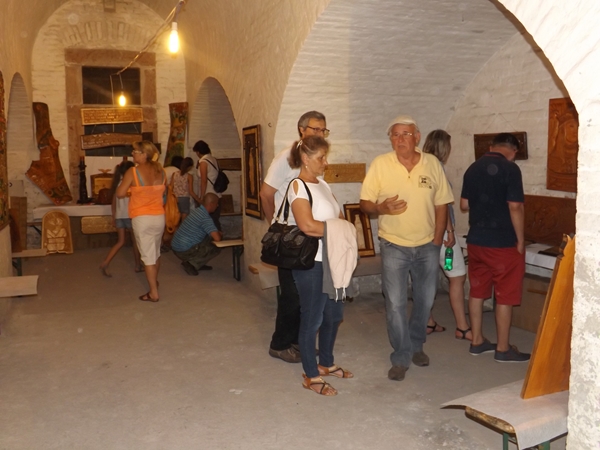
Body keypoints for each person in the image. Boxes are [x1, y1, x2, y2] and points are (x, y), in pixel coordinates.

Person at [360, 115, 454, 381]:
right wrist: (380, 208)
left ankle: (416, 344)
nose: (400, 139)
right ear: (391, 139)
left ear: (417, 137)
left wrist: (437, 239)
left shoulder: (432, 163)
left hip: (427, 245)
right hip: (394, 245)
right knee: (395, 303)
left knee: (426, 300)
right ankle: (401, 355)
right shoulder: (381, 164)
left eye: (405, 134)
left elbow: (441, 203)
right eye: (395, 134)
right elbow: (365, 203)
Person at [259, 110, 330, 364]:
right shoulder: (286, 158)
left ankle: (300, 342)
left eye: (323, 130)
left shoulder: (316, 160)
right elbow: (266, 194)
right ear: (301, 130)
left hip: (309, 235)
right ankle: (279, 344)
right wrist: (275, 226)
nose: (319, 133)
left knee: (306, 294)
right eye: (314, 129)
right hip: (291, 237)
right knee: (291, 295)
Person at [288, 136, 355, 396]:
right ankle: (310, 374)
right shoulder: (298, 186)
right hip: (311, 262)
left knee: (334, 315)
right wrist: (340, 229)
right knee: (312, 318)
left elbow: (339, 217)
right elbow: (307, 225)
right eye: (321, 158)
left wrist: (339, 227)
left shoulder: (324, 184)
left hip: (333, 259)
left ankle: (326, 363)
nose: (325, 163)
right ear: (305, 159)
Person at [460, 132, 530, 363]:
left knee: (477, 291)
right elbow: (515, 207)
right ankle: (503, 348)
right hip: (502, 243)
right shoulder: (511, 169)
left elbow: (464, 205)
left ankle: (476, 341)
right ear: (513, 151)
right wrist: (521, 240)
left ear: (492, 146)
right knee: (505, 296)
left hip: (476, 241)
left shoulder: (473, 168)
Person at [422, 130, 472, 341]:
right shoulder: (437, 168)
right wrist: (450, 231)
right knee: (457, 275)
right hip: (441, 235)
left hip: (422, 233)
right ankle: (462, 326)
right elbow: (441, 204)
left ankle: (428, 321)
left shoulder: (421, 166)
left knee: (425, 278)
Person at [116, 141, 166, 303]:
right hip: (159, 216)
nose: (133, 153)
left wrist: (132, 191)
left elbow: (120, 193)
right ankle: (154, 282)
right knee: (155, 252)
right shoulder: (161, 171)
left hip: (142, 218)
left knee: (147, 257)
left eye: (135, 151)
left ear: (144, 154)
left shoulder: (133, 171)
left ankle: (153, 293)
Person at [100, 161, 142, 277]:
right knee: (135, 242)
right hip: (130, 216)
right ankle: (138, 265)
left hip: (119, 216)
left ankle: (106, 262)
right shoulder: (131, 183)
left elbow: (113, 202)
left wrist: (114, 215)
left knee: (120, 241)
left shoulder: (118, 183)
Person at [171, 193, 222, 275]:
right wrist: (219, 233)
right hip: (184, 250)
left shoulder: (197, 211)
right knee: (217, 246)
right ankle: (192, 263)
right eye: (216, 204)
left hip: (177, 246)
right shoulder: (205, 218)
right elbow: (217, 238)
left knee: (209, 237)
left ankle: (198, 263)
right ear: (211, 204)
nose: (217, 206)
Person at [193, 140, 222, 231]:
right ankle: (217, 236)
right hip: (216, 193)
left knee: (207, 220)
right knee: (214, 219)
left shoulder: (203, 162)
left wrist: (202, 197)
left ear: (198, 152)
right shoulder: (213, 159)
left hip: (208, 195)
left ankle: (214, 237)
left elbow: (204, 181)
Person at [171, 157, 202, 222]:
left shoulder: (174, 174)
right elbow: (191, 191)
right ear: (189, 167)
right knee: (184, 219)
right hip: (184, 198)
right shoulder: (189, 176)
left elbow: (171, 187)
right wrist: (198, 199)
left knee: (175, 219)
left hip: (175, 198)